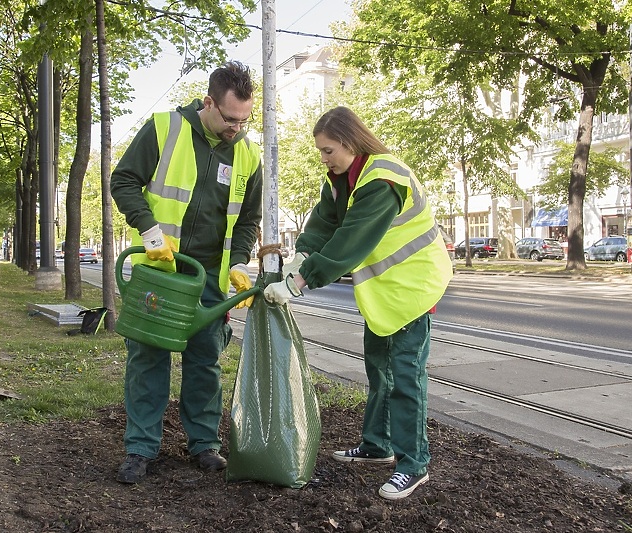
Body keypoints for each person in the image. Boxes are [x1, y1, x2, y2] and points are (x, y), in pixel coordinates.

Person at [264, 106, 452, 500]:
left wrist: (299, 282)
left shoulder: (382, 179)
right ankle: (377, 445)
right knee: (379, 370)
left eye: (328, 150)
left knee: (404, 377)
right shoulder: (342, 179)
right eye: (320, 151)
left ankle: (413, 464)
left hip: (413, 288)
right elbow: (324, 223)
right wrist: (302, 254)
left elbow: (350, 241)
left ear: (350, 143)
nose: (323, 158)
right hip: (387, 292)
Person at [110, 61, 263, 484]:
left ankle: (204, 445)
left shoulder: (248, 153)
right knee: (148, 358)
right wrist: (150, 229)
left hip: (210, 279)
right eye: (230, 119)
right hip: (161, 272)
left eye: (244, 119)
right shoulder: (164, 129)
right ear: (208, 102)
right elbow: (123, 180)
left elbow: (248, 217)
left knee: (205, 362)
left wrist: (238, 261)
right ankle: (140, 448)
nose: (237, 128)